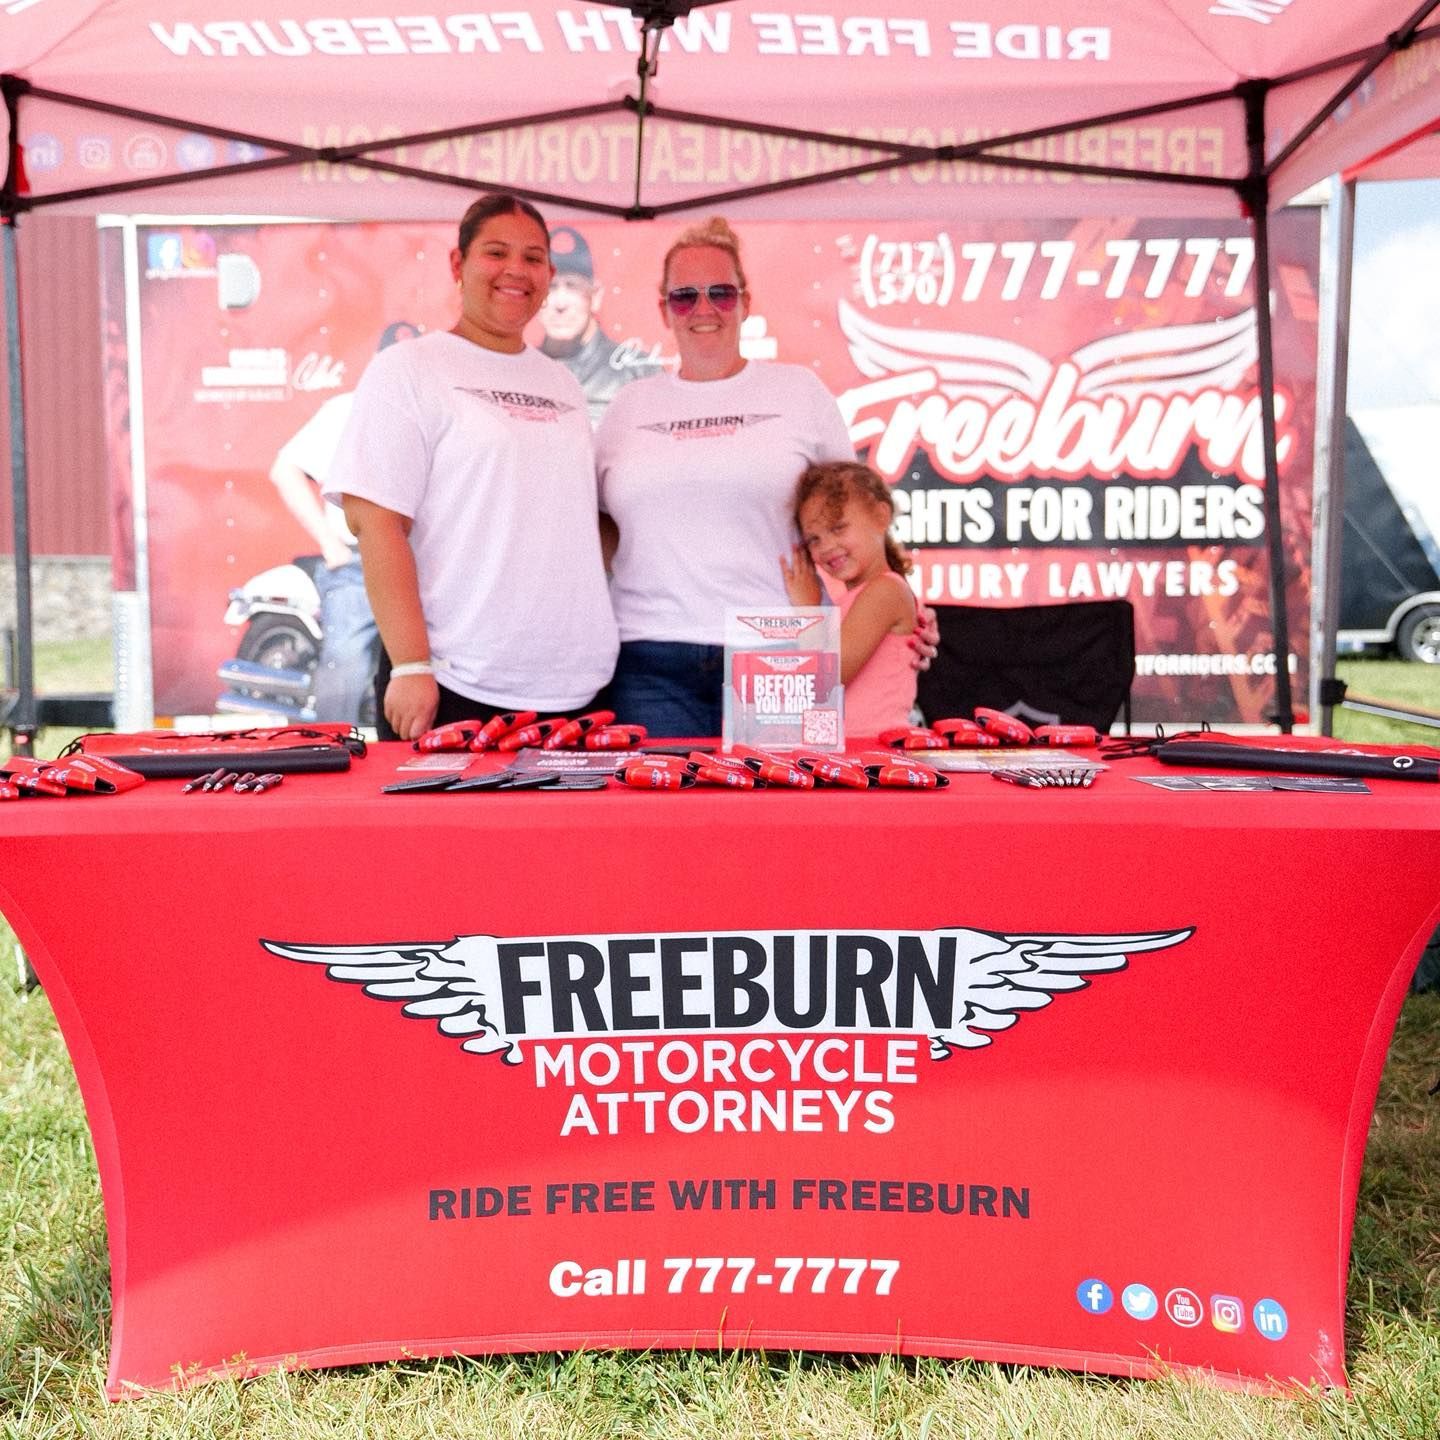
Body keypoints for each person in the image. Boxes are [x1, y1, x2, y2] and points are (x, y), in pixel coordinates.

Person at [326, 194, 618, 742]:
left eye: (533, 258)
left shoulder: (561, 384)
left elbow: (572, 523)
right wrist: (411, 665)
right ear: (458, 266)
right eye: (496, 252)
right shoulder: (408, 369)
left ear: (550, 274)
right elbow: (376, 523)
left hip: (579, 688)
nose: (516, 270)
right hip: (457, 684)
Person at [593, 216, 862, 738]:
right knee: (664, 819)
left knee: (780, 817)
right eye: (684, 297)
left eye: (720, 292)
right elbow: (599, 529)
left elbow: (851, 519)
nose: (704, 309)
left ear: (745, 300)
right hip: (651, 654)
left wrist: (894, 607)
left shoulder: (799, 394)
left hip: (780, 647)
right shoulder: (628, 407)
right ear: (663, 309)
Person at [267, 320, 421, 724]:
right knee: (347, 662)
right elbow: (286, 469)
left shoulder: (432, 411)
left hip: (424, 561)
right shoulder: (345, 409)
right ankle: (332, 749)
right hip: (357, 563)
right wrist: (329, 545)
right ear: (375, 363)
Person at [782, 460, 917, 736]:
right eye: (814, 539)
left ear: (881, 516)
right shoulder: (853, 598)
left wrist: (809, 610)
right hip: (845, 755)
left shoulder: (886, 590)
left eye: (838, 527)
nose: (827, 546)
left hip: (875, 756)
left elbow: (826, 679)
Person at [538, 225, 659, 426]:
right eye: (550, 286)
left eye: (573, 286)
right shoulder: (522, 369)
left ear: (595, 296)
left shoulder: (638, 370)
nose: (560, 303)